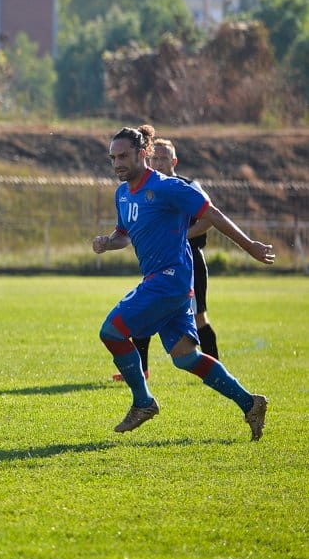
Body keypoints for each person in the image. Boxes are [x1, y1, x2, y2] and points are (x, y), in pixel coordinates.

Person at [92, 125, 275, 440]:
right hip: (165, 283)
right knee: (186, 358)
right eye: (113, 158)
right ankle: (250, 403)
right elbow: (124, 234)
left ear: (142, 153)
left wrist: (250, 247)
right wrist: (107, 242)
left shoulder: (168, 187)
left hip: (170, 280)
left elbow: (213, 214)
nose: (117, 163)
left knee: (111, 331)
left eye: (123, 156)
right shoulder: (122, 194)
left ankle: (143, 402)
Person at [115, 133, 220, 379]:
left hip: (189, 260)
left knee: (199, 317)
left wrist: (182, 236)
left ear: (175, 161)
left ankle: (214, 366)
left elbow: (210, 218)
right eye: (156, 157)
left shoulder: (186, 186)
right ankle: (141, 370)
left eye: (165, 158)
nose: (160, 162)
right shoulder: (146, 188)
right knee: (143, 314)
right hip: (159, 264)